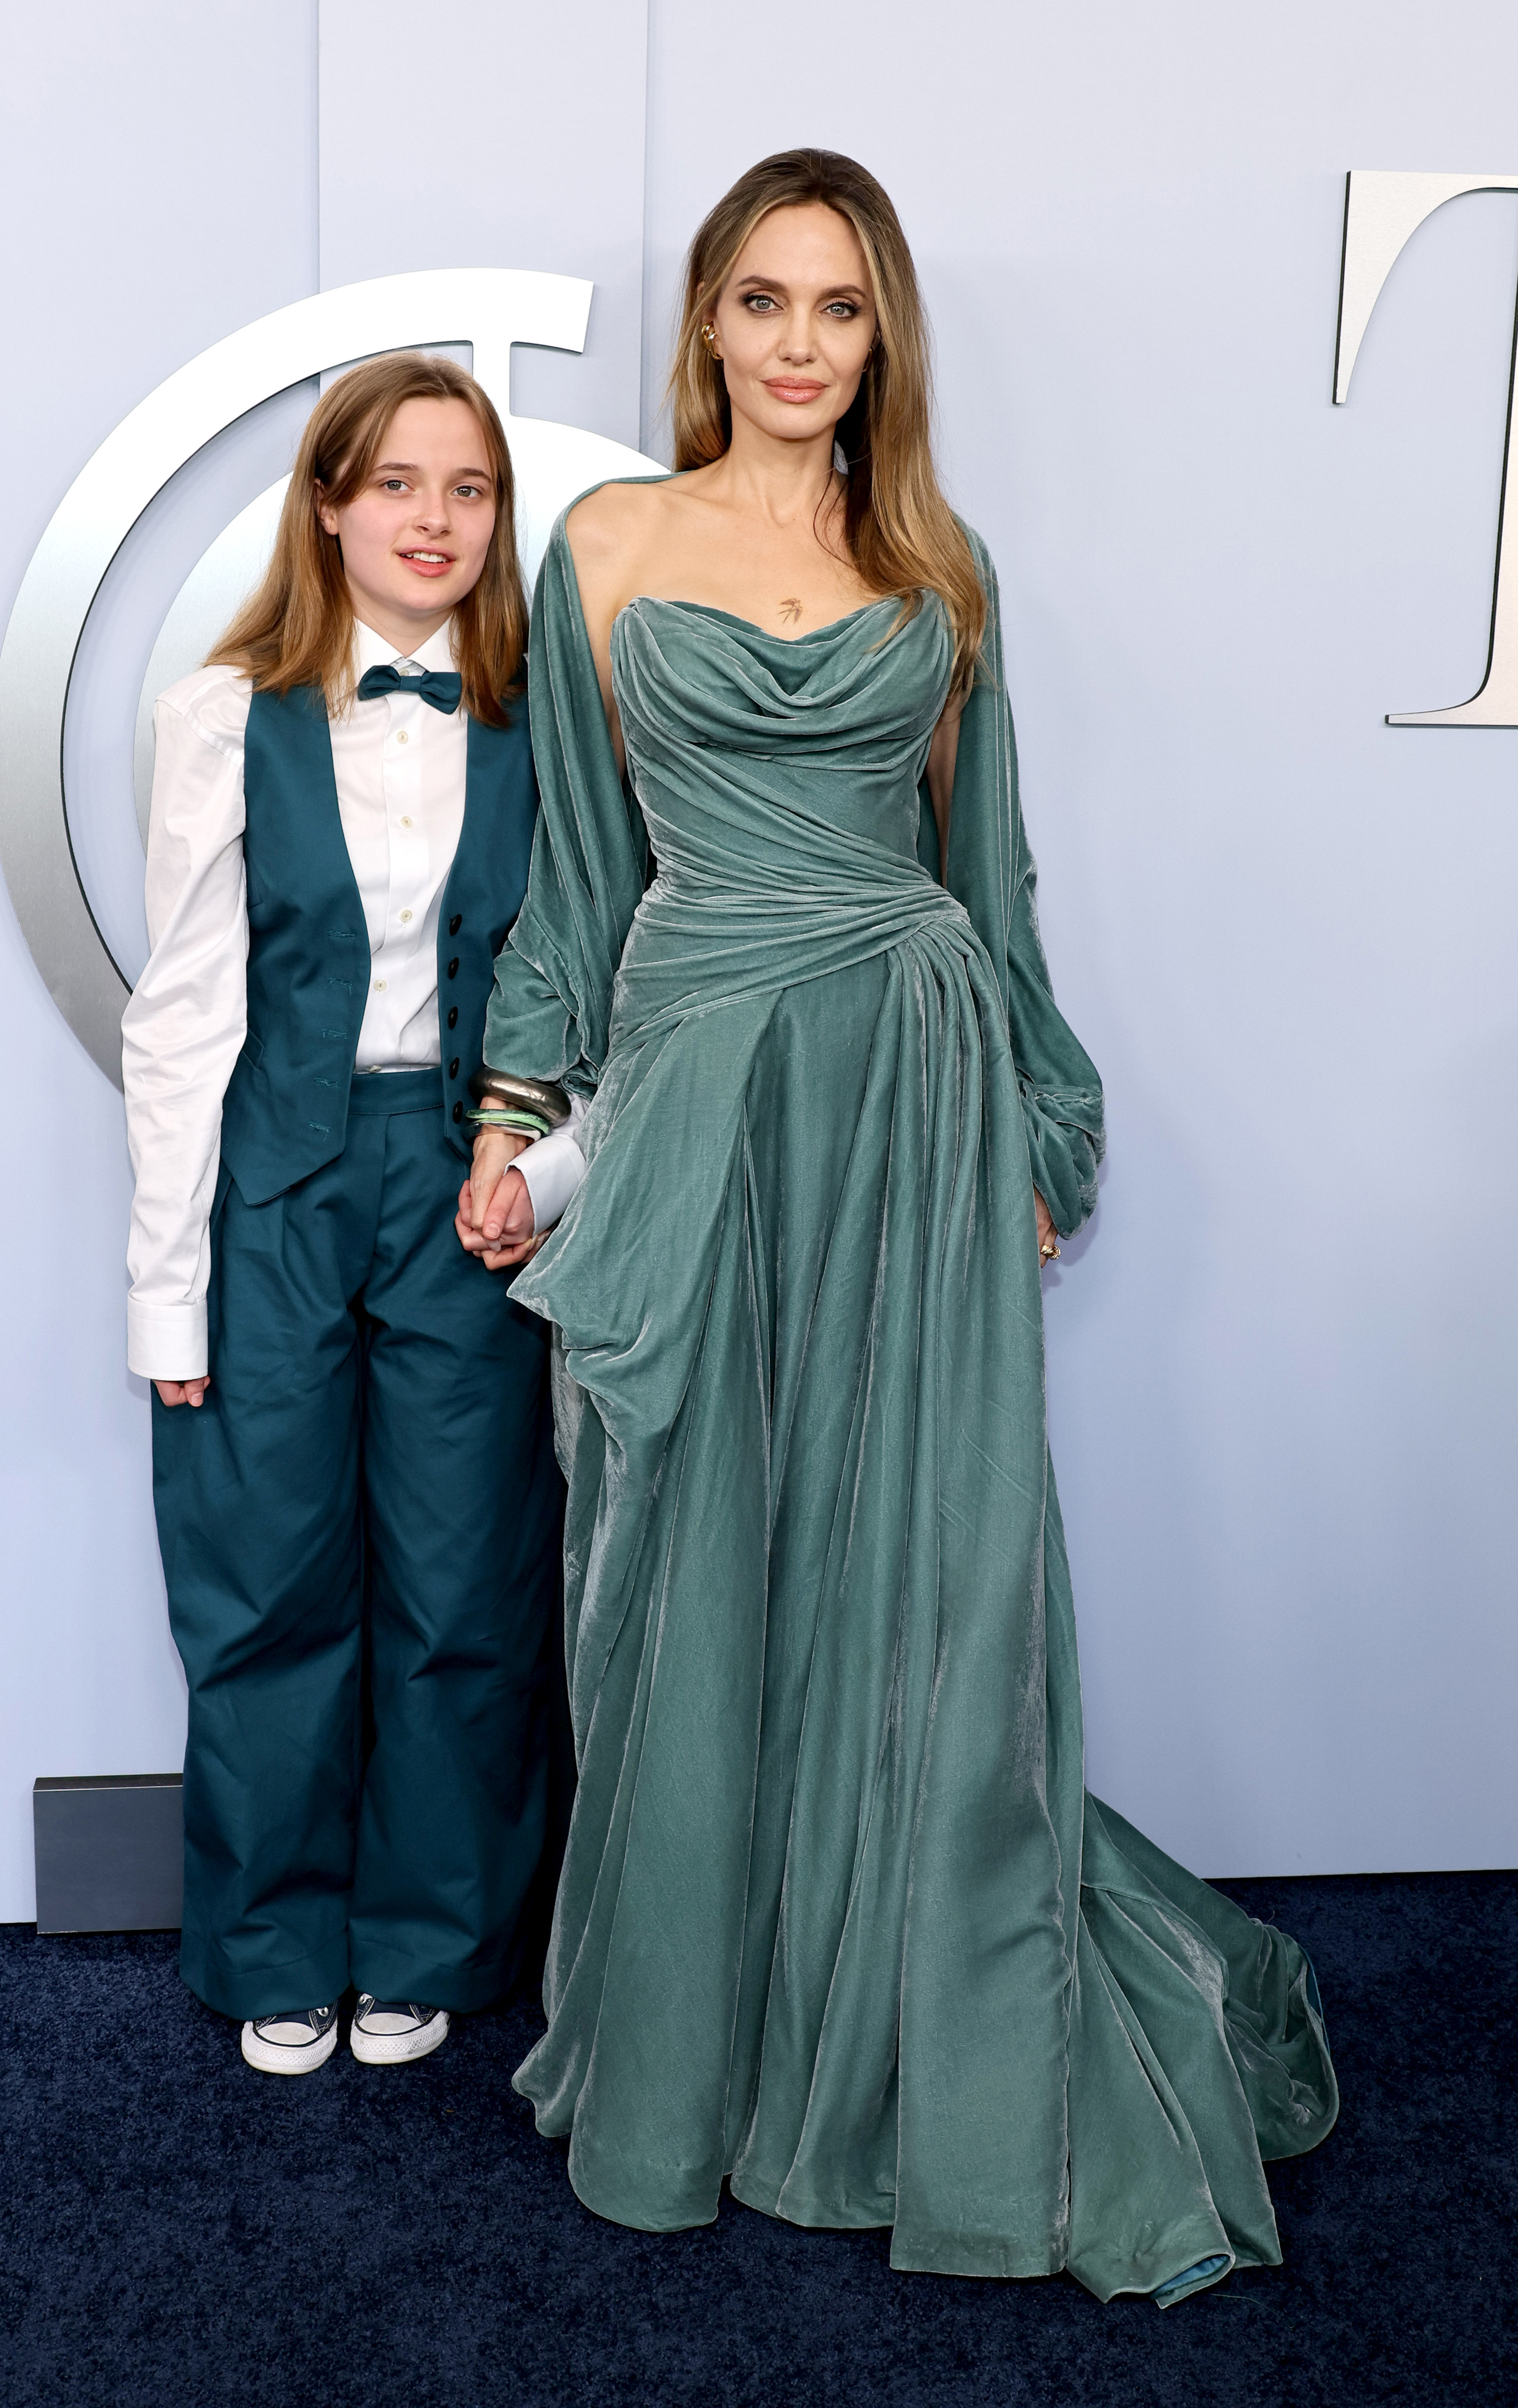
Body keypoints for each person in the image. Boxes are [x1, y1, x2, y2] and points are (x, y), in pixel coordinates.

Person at [459, 151, 1337, 2302]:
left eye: (832, 309)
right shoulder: (601, 545)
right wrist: (513, 1109)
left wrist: (1040, 1114)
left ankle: (902, 2048)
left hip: (913, 1089)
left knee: (917, 1580)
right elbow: (576, 881)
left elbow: (990, 870)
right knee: (674, 1562)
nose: (790, 343)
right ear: (705, 327)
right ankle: (690, 2053)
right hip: (692, 1096)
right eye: (757, 301)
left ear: (878, 342)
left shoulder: (939, 569)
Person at [123, 354, 577, 2077]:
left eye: (466, 490)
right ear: (327, 505)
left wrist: (545, 1167)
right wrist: (166, 1298)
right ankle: (268, 1946)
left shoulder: (555, 723)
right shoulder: (223, 712)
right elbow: (176, 1016)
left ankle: (431, 1940)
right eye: (396, 483)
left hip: (472, 1185)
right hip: (275, 1181)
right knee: (262, 1585)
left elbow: (593, 985)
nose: (434, 520)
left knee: (465, 1585)